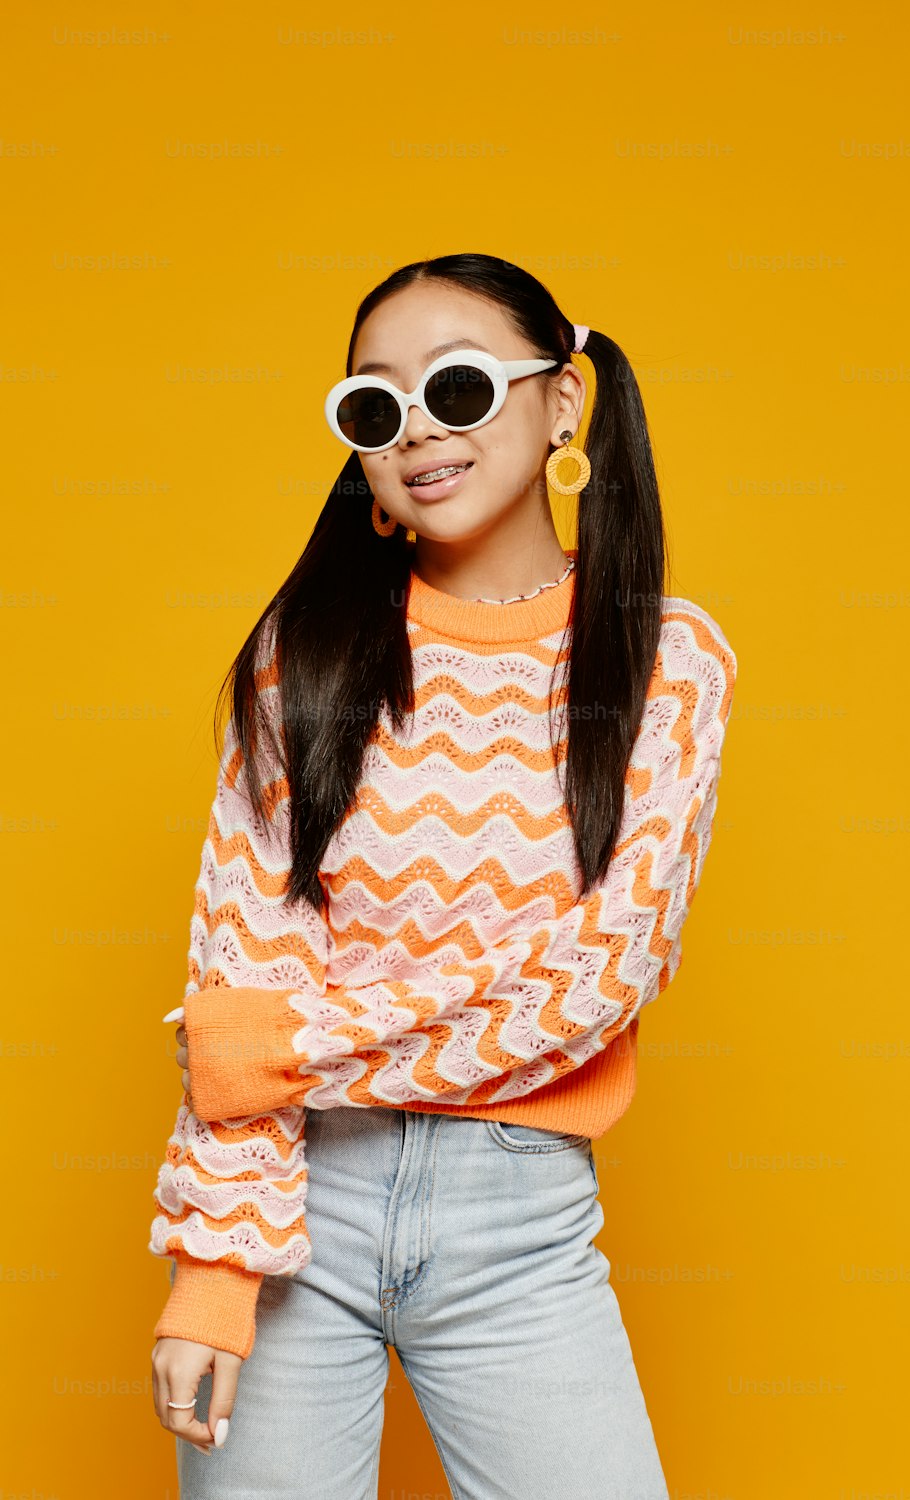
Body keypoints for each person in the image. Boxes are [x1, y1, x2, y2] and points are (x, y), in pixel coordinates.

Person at [148, 251, 737, 1499]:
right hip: (291, 1217)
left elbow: (597, 979)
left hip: (515, 1227)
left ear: (561, 402)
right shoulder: (297, 654)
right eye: (375, 407)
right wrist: (212, 1270)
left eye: (458, 389)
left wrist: (273, 1049)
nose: (418, 431)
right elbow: (238, 967)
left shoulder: (667, 663)